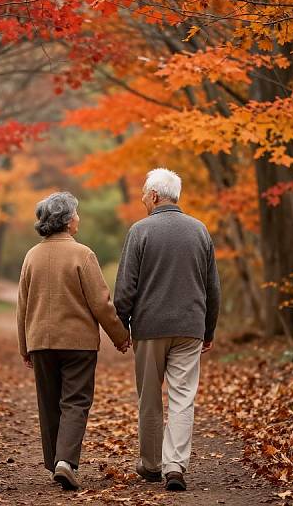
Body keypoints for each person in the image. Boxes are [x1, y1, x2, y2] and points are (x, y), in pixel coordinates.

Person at [114, 168, 221, 492]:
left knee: (150, 398)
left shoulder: (140, 231)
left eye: (146, 194)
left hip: (149, 328)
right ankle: (175, 466)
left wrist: (122, 326)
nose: (144, 199)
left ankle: (151, 464)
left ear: (155, 196)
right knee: (182, 397)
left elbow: (125, 288)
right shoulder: (200, 230)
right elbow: (212, 287)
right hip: (190, 327)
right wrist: (208, 330)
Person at [17, 191, 131, 491]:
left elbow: (23, 305)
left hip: (40, 340)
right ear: (67, 220)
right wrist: (120, 336)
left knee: (49, 402)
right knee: (76, 401)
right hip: (78, 343)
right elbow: (102, 303)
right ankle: (65, 461)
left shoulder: (32, 256)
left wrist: (24, 346)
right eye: (76, 213)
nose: (78, 218)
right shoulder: (83, 254)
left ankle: (56, 460)